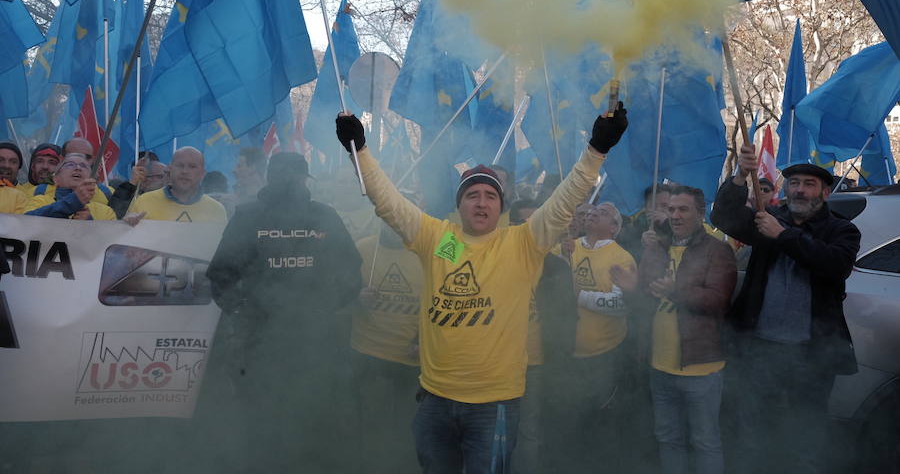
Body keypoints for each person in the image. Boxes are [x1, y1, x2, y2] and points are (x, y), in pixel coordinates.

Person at [335, 101, 627, 474]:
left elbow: (565, 201)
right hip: (435, 399)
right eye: (472, 195)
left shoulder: (521, 243)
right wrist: (359, 152)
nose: (481, 201)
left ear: (501, 206)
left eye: (490, 196)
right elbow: (389, 204)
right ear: (459, 206)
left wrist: (596, 150)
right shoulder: (442, 242)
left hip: (495, 404)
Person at [205, 151, 362, 473]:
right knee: (260, 424)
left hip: (313, 344)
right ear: (271, 177)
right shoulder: (248, 216)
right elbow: (220, 274)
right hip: (258, 345)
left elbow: (351, 273)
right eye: (285, 175)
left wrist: (323, 307)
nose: (290, 182)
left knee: (311, 419)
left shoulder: (325, 217)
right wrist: (244, 310)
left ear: (305, 179)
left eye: (295, 176)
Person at [710, 146, 860, 474]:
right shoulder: (768, 220)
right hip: (760, 351)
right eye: (793, 183)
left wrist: (784, 236)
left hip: (811, 357)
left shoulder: (842, 230)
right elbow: (723, 217)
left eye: (808, 183)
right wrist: (738, 176)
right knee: (752, 430)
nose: (800, 190)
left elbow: (834, 265)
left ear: (825, 191)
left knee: (805, 436)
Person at [640, 185, 736, 474]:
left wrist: (675, 290)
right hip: (660, 365)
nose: (675, 215)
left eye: (683, 209)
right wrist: (646, 257)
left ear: (700, 213)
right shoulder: (661, 245)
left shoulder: (718, 250)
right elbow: (643, 292)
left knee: (705, 441)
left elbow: (718, 301)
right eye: (671, 209)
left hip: (700, 368)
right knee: (668, 438)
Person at [562, 202, 637, 472]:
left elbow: (621, 305)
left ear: (615, 228)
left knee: (599, 420)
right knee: (568, 418)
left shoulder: (622, 258)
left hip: (603, 357)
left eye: (604, 212)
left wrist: (579, 296)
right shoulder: (568, 247)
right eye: (592, 210)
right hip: (566, 354)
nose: (594, 212)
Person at [507, 199, 575, 474]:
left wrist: (562, 360)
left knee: (529, 431)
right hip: (494, 363)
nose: (530, 230)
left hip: (535, 364)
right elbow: (444, 254)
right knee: (493, 430)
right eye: (522, 223)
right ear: (511, 226)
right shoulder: (493, 256)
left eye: (535, 223)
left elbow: (567, 319)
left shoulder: (557, 267)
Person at [351, 220, 424, 474]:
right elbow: (340, 289)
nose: (395, 226)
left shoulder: (432, 249)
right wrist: (357, 296)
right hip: (370, 354)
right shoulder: (362, 248)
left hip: (413, 359)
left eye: (400, 220)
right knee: (374, 425)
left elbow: (452, 292)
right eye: (389, 220)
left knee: (410, 428)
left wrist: (425, 340)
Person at [128, 147, 226, 223]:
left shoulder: (216, 210)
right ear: (170, 169)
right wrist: (127, 226)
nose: (185, 171)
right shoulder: (144, 202)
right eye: (180, 165)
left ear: (203, 173)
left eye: (192, 167)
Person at [24, 154, 116, 220]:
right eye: (70, 164)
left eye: (84, 166)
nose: (78, 168)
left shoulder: (106, 212)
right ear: (56, 179)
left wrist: (89, 224)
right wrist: (72, 202)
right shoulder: (40, 201)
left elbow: (111, 240)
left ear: (91, 178)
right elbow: (26, 222)